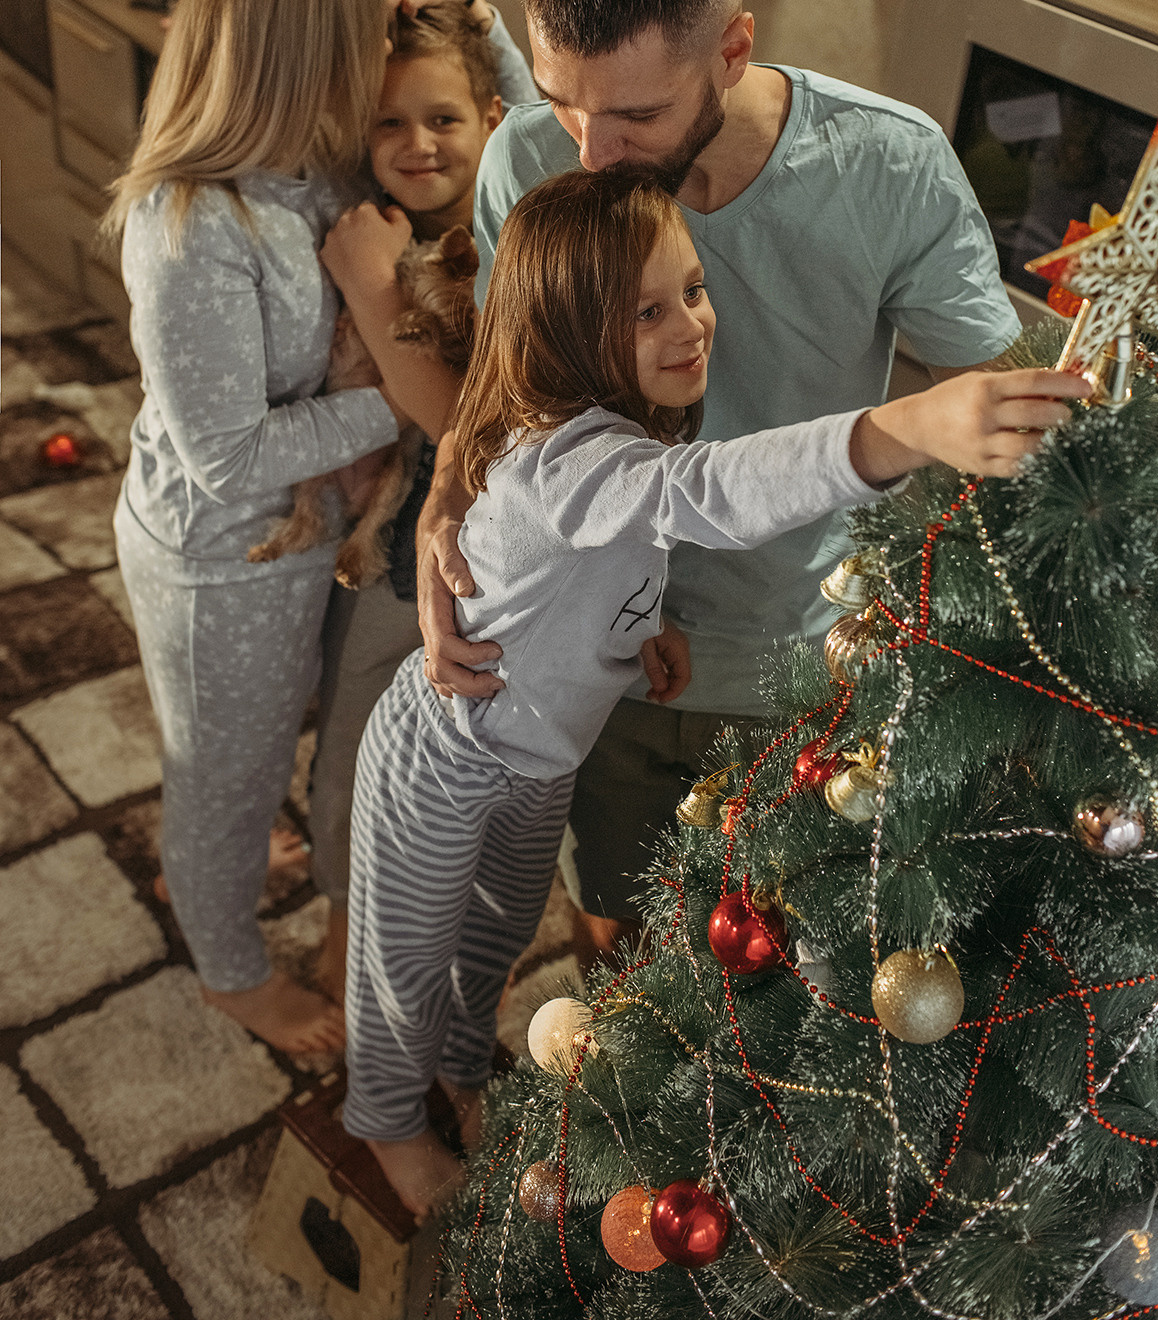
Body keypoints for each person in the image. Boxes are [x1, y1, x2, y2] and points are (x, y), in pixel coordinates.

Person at [341, 166, 1087, 1220]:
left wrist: (643, 629)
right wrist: (905, 426)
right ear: (564, 328)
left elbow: (596, 562)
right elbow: (708, 497)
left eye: (691, 289)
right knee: (404, 959)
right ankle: (382, 1122)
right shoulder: (571, 459)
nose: (692, 323)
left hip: (535, 763)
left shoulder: (614, 433)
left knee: (494, 940)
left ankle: (458, 1076)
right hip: (446, 757)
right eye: (648, 310)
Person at [411, 0, 1024, 964]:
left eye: (635, 113)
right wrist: (442, 503)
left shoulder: (890, 167)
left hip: (806, 668)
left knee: (792, 981)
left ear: (732, 51)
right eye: (561, 100)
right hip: (592, 657)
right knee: (620, 952)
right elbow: (510, 395)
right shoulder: (527, 160)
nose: (588, 154)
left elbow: (1001, 411)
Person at [107, 0, 457, 1057]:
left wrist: (432, 0)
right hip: (224, 558)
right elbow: (226, 461)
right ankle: (226, 966)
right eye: (366, 30)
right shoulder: (191, 221)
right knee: (220, 768)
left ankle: (227, 842)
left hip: (294, 545)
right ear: (305, 50)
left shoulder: (310, 161)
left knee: (247, 754)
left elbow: (469, 57)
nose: (385, 49)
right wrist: (403, 393)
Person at [310, 0, 537, 1002]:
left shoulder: (517, 231)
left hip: (490, 563)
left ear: (491, 119)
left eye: (444, 118)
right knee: (353, 739)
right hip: (388, 544)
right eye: (390, 123)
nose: (419, 144)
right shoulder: (368, 218)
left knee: (461, 777)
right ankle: (341, 909)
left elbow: (454, 417)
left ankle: (426, 949)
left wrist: (368, 287)